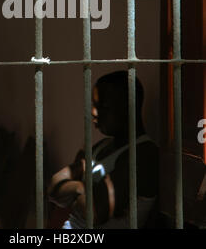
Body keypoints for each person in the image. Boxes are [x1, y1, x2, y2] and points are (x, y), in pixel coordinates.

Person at [48, 71, 159, 229]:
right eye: (94, 104)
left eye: (103, 106)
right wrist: (82, 188)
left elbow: (92, 210)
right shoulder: (103, 147)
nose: (93, 112)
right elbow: (54, 186)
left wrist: (73, 191)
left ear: (128, 107)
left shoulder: (143, 154)